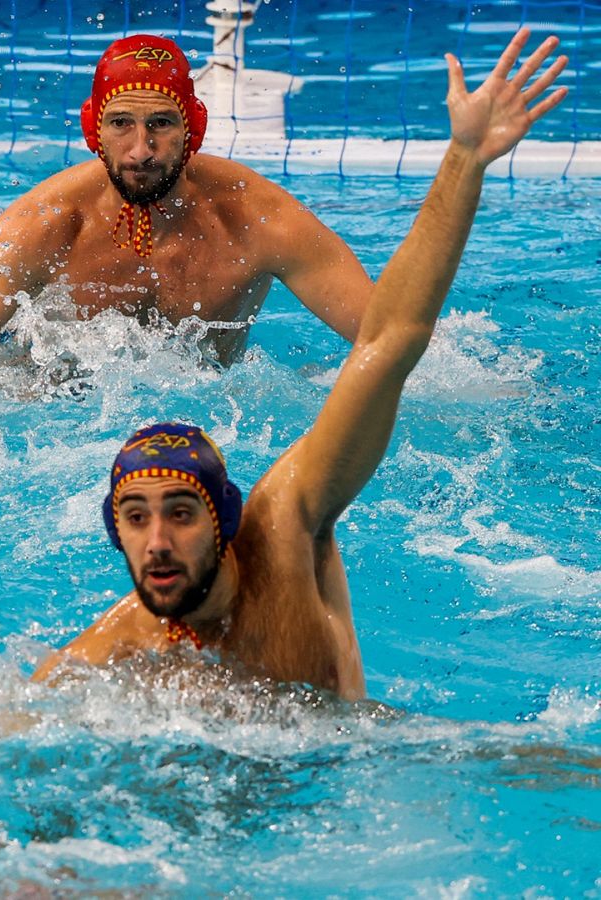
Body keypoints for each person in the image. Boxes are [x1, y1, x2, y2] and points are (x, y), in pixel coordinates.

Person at [32, 29, 568, 698]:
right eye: (136, 517)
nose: (159, 541)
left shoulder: (283, 533)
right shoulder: (100, 661)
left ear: (226, 521)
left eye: (180, 511)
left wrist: (463, 159)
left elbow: (389, 338)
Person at [0, 34, 375, 365]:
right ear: (93, 129)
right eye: (121, 123)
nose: (141, 150)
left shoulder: (259, 220)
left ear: (191, 128)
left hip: (213, 416)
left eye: (160, 123)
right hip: (49, 410)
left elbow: (389, 338)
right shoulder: (45, 223)